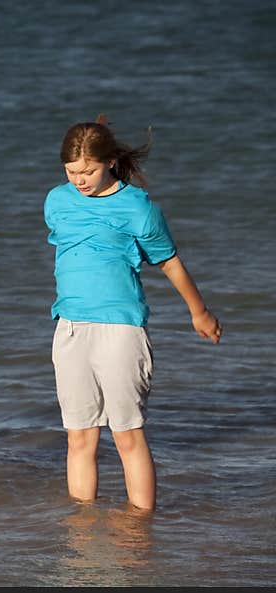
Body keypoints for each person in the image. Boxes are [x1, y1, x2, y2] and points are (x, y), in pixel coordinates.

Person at [44, 116, 222, 511]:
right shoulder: (56, 202)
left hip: (120, 330)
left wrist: (200, 311)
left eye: (88, 170)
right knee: (79, 437)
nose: (80, 179)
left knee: (126, 435)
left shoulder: (138, 207)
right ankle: (83, 530)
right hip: (70, 328)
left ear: (109, 162)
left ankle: (140, 532)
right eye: (72, 171)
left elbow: (171, 263)